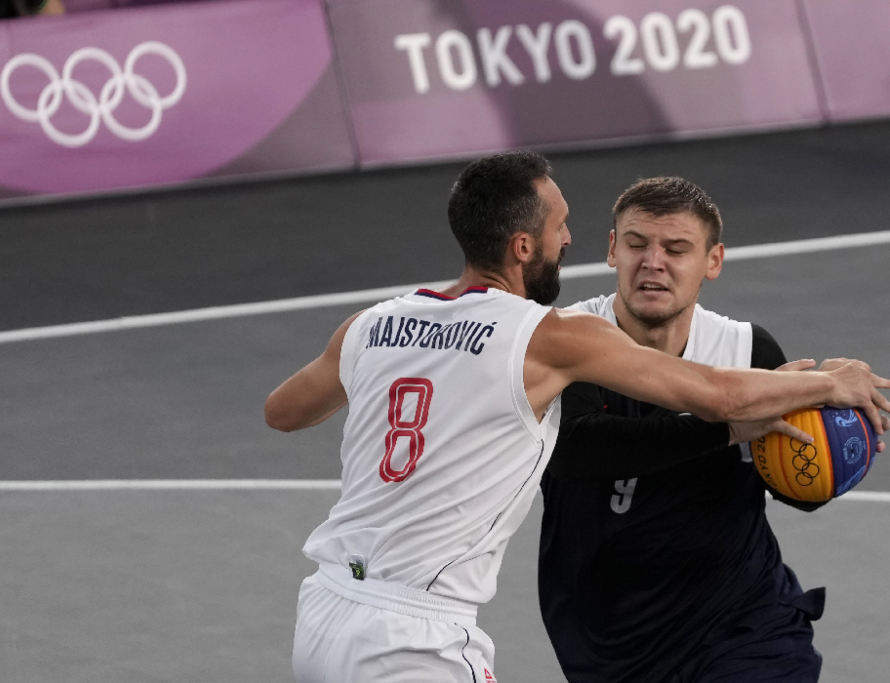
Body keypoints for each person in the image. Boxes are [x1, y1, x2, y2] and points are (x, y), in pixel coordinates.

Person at [264, 152, 889, 683]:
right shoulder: (550, 337)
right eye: (562, 227)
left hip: (325, 609)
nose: (570, 240)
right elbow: (718, 400)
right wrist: (830, 382)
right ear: (523, 245)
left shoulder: (374, 324)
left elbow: (282, 413)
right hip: (420, 630)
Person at [538, 176, 890, 683]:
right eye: (637, 244)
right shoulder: (565, 342)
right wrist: (726, 426)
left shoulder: (747, 352)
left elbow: (794, 488)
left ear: (713, 261)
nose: (653, 262)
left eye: (676, 249)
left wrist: (834, 442)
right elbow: (581, 451)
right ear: (613, 250)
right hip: (610, 639)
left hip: (742, 620)